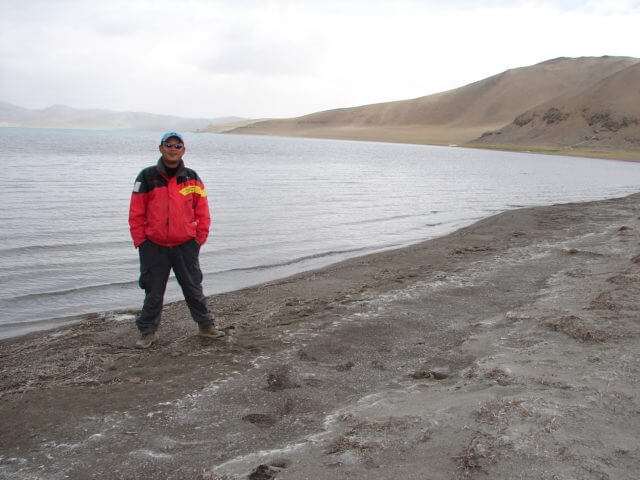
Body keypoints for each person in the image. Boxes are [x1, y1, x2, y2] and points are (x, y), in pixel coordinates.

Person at [128, 131, 225, 348]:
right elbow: (136, 213)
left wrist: (198, 238)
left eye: (177, 146)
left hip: (185, 245)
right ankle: (148, 332)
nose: (173, 149)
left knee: (193, 287)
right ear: (161, 148)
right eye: (168, 145)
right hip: (154, 246)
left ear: (183, 150)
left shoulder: (192, 177)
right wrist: (141, 242)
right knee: (153, 291)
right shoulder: (146, 176)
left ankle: (206, 326)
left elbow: (202, 211)